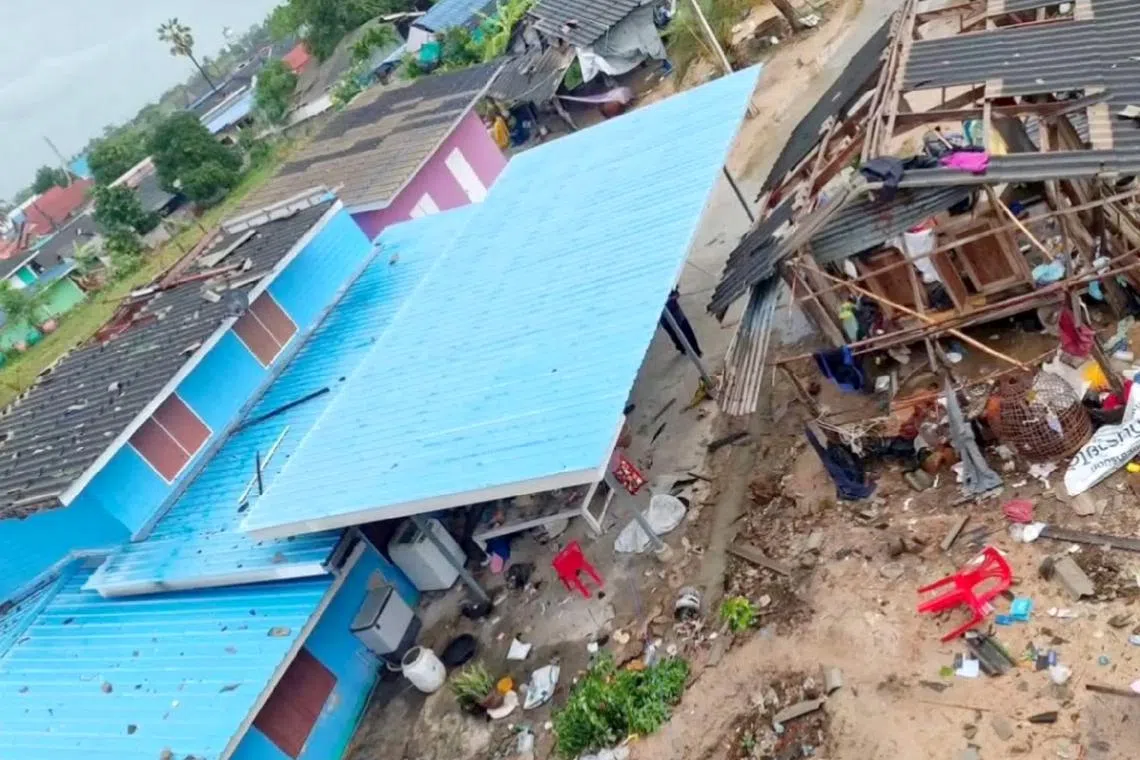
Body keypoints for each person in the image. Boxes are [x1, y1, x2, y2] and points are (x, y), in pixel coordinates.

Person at [660, 288, 702, 357]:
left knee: (685, 330)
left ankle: (695, 350)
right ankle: (682, 347)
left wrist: (672, 297)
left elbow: (675, 293)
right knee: (674, 332)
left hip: (673, 311)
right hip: (665, 315)